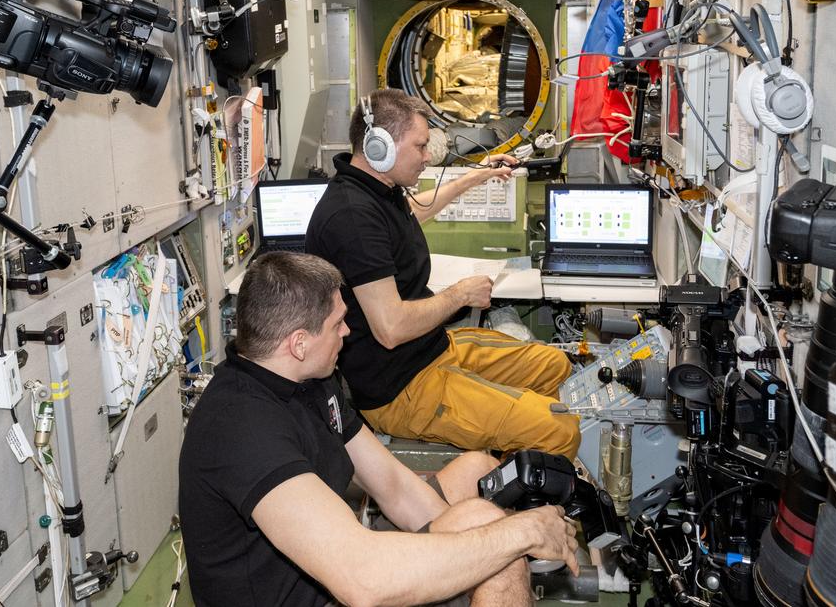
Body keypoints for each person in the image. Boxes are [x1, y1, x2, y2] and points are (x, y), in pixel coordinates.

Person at [178, 252, 580, 607]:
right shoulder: (240, 428)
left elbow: (392, 485)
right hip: (328, 588)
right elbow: (363, 581)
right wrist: (517, 535)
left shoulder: (310, 379)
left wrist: (463, 552)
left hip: (332, 567)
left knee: (478, 483)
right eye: (337, 324)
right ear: (298, 343)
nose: (348, 332)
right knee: (503, 561)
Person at [305, 89, 581, 458]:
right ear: (379, 147)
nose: (426, 157)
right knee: (560, 429)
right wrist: (460, 295)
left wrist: (477, 176)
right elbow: (391, 329)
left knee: (555, 365)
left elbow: (414, 211)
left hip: (431, 350)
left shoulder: (376, 190)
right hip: (402, 388)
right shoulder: (352, 217)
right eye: (419, 147)